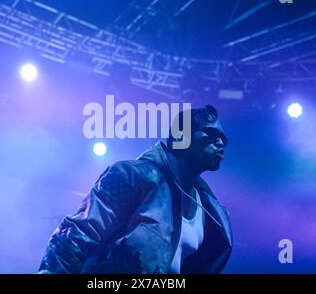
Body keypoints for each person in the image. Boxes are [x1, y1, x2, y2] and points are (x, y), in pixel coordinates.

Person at [38, 105, 232, 274]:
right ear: (182, 136)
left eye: (224, 138)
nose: (221, 143)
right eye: (212, 134)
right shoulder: (134, 176)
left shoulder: (211, 213)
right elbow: (77, 234)